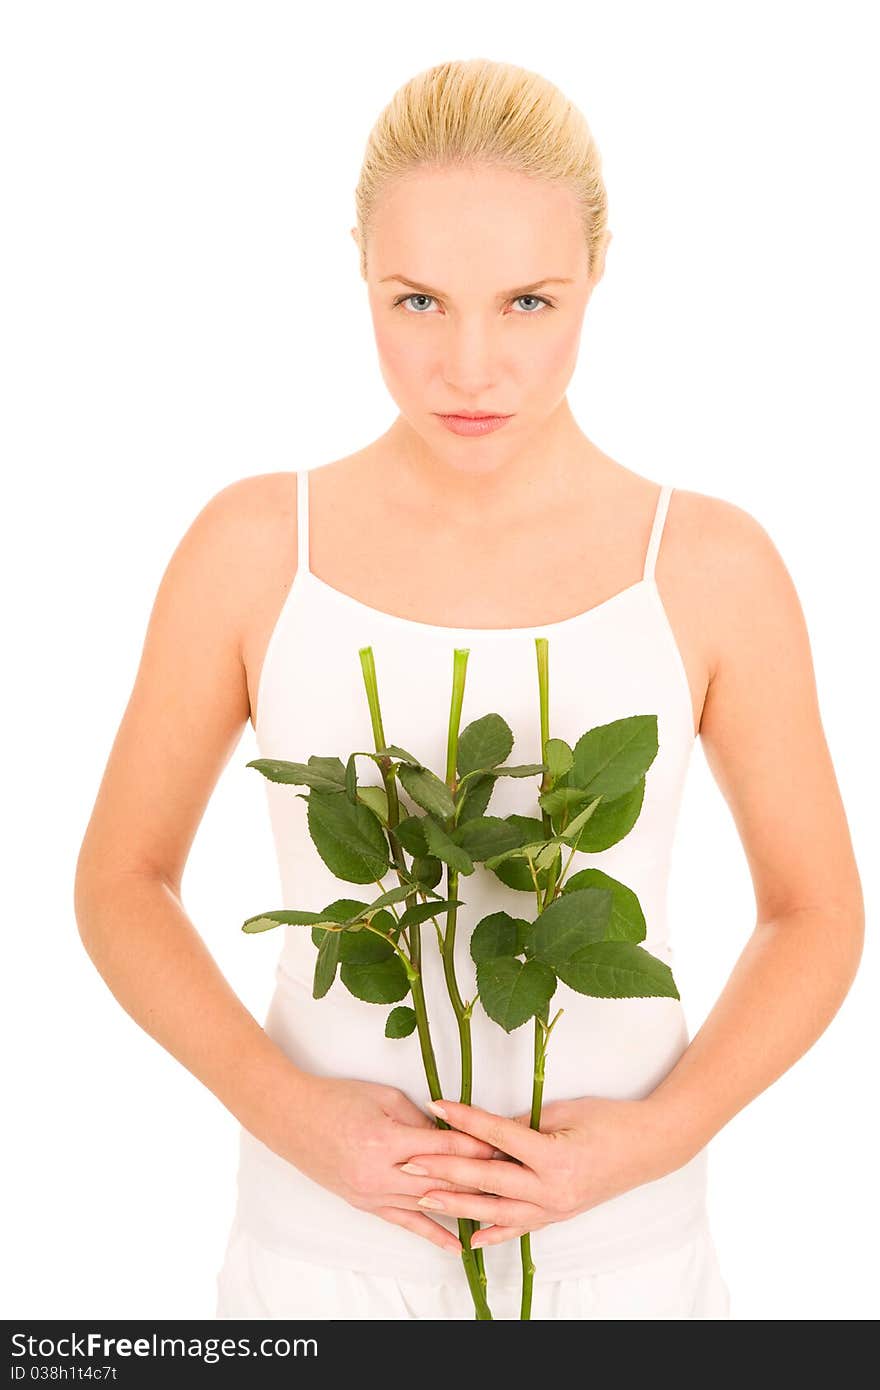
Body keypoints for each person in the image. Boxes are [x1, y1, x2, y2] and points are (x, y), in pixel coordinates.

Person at [74, 58, 864, 1321]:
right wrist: (291, 1115)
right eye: (420, 300)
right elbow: (119, 880)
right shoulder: (252, 546)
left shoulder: (711, 566)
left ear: (597, 274)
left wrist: (653, 1138)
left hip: (624, 1254)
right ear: (361, 273)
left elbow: (817, 910)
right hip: (318, 1248)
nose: (471, 365)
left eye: (529, 301)